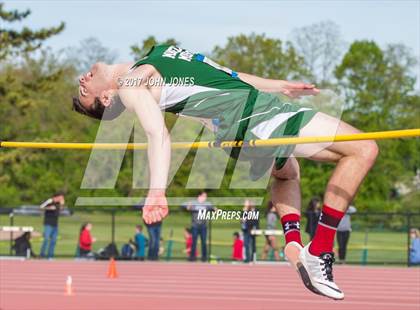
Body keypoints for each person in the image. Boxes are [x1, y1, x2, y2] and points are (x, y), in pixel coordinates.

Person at [73, 44, 379, 299]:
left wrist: (279, 85)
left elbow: (226, 74)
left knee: (288, 173)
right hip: (252, 117)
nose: (82, 81)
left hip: (251, 111)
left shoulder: (153, 56)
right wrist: (157, 190)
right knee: (363, 149)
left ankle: (294, 244)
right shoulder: (131, 85)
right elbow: (157, 134)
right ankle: (320, 251)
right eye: (84, 92)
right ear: (106, 98)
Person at [184, 191, 215, 262]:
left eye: (206, 196)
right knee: (194, 242)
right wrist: (189, 205)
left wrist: (215, 209)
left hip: (203, 226)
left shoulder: (207, 204)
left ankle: (204, 258)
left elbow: (213, 209)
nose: (205, 197)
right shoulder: (194, 203)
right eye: (204, 196)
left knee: (204, 242)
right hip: (195, 226)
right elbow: (188, 208)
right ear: (199, 196)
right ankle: (192, 257)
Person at [39, 192, 65, 259]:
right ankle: (42, 255)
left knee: (53, 241)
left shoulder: (59, 204)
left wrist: (62, 205)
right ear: (57, 197)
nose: (62, 199)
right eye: (61, 197)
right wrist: (49, 208)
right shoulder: (50, 200)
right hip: (48, 224)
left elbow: (61, 211)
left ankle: (50, 256)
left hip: (55, 224)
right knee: (46, 239)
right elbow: (41, 207)